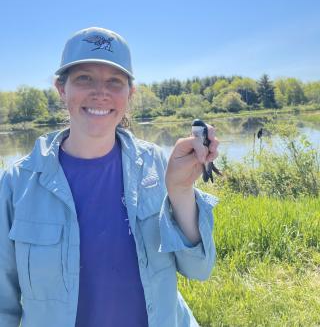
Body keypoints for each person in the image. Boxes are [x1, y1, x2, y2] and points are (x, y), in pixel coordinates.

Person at [0, 27, 219, 327]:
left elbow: (199, 269)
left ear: (130, 94)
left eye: (114, 81)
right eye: (84, 78)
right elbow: (3, 305)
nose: (100, 92)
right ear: (61, 90)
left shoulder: (157, 165)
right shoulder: (16, 184)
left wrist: (180, 191)